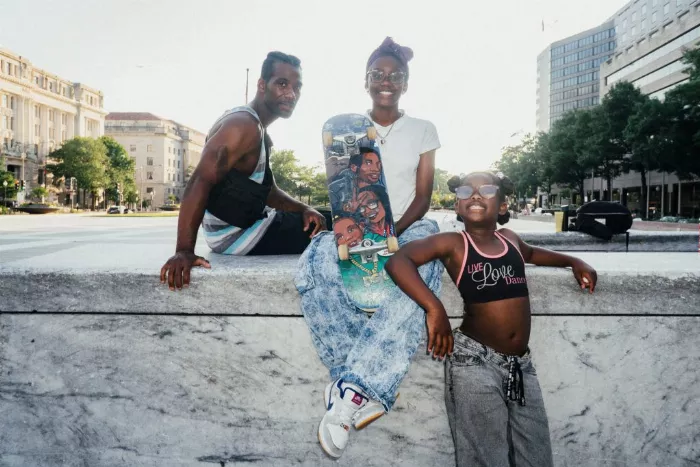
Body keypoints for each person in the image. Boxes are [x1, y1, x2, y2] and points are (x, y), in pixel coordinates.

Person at [384, 170, 598, 467]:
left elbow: (534, 253)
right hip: (474, 363)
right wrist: (435, 309)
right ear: (457, 207)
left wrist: (575, 261)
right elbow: (398, 261)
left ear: (502, 205)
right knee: (485, 457)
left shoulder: (510, 239)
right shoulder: (453, 243)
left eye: (485, 189)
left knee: (536, 454)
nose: (474, 195)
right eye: (464, 191)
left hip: (520, 366)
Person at [294, 36, 442, 459]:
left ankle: (349, 392)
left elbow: (423, 196)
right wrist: (356, 232)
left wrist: (391, 235)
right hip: (360, 225)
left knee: (421, 265)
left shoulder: (423, 129)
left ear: (406, 83)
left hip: (409, 225)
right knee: (314, 265)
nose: (386, 82)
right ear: (366, 81)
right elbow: (343, 191)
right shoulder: (347, 130)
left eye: (395, 76)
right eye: (378, 75)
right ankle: (352, 382)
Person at [160, 51, 329, 291]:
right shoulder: (243, 125)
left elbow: (267, 191)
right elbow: (200, 180)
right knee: (343, 227)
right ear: (262, 85)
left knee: (327, 217)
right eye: (282, 84)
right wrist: (184, 251)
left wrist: (305, 208)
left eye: (296, 87)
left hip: (247, 226)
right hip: (241, 236)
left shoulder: (257, 128)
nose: (291, 94)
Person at [328, 147, 382, 212]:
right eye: (368, 163)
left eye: (378, 164)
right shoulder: (335, 189)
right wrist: (345, 207)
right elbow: (334, 209)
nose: (376, 169)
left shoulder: (381, 189)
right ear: (354, 167)